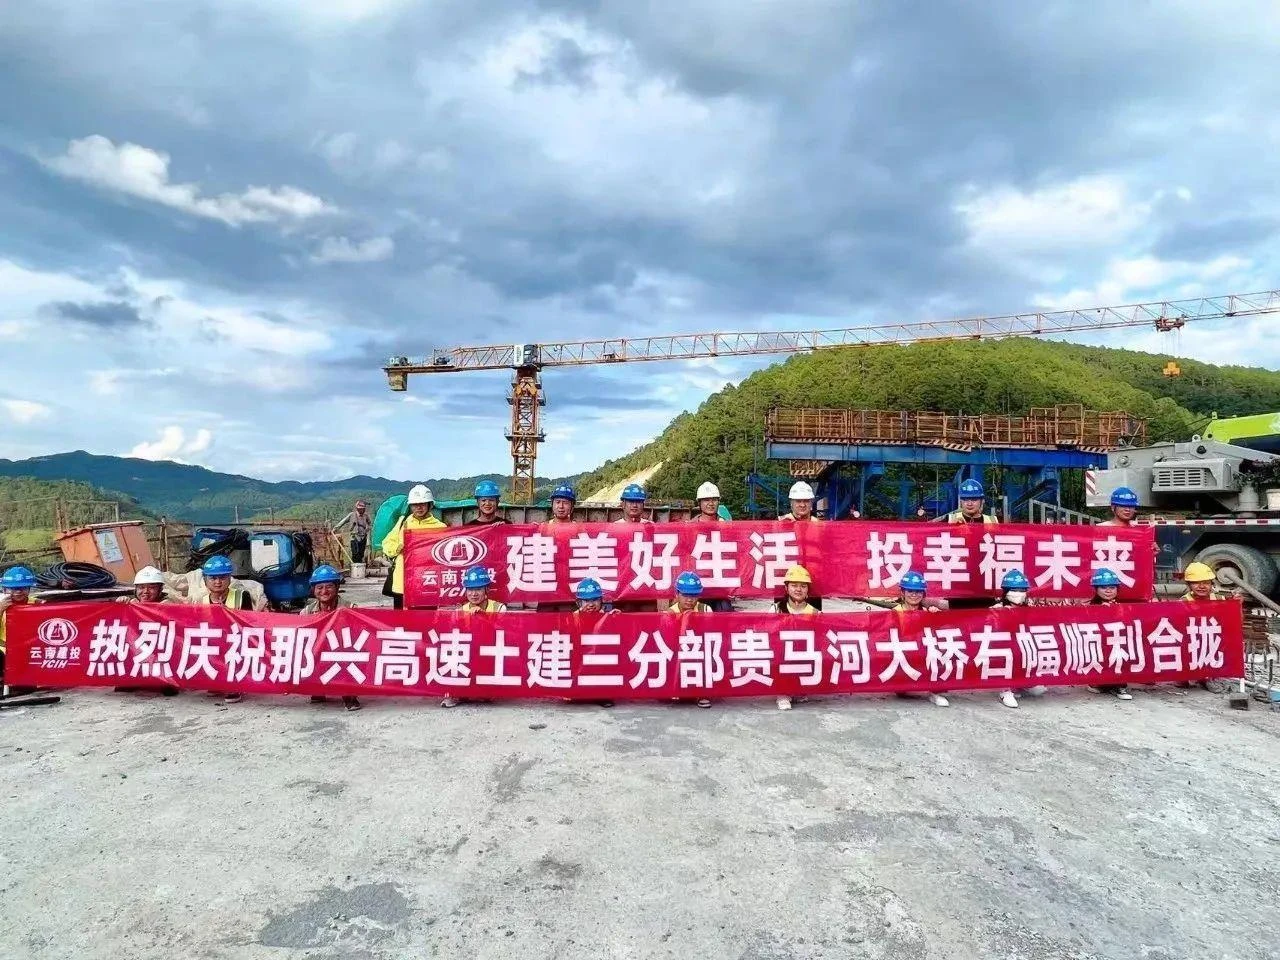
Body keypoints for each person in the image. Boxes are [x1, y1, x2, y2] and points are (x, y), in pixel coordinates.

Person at [443, 566, 507, 708]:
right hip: (468, 652)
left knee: (487, 695)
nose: (473, 594)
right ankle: (456, 692)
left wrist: (484, 618)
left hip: (490, 651)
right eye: (470, 589)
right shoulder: (461, 610)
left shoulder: (499, 608)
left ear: (487, 590)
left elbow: (505, 633)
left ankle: (484, 690)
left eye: (478, 589)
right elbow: (453, 634)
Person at [302, 565, 361, 711]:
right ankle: (317, 687)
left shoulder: (351, 609)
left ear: (337, 587)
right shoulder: (306, 612)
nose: (324, 591)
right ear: (313, 590)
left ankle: (349, 691)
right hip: (318, 652)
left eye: (329, 586)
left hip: (343, 652)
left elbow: (361, 637)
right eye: (319, 587)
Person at [195, 555, 252, 704]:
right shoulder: (201, 600)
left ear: (229, 578)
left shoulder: (242, 596)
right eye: (213, 578)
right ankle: (216, 681)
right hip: (213, 641)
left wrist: (228, 614)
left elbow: (248, 623)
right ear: (205, 580)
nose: (217, 582)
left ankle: (233, 685)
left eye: (222, 577)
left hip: (235, 641)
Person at [116, 566, 179, 696]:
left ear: (160, 589)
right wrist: (120, 605)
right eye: (141, 587)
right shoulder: (132, 603)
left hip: (159, 648)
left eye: (151, 587)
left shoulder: (168, 604)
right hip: (138, 647)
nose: (145, 592)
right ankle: (130, 679)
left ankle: (166, 681)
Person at [382, 484, 446, 610]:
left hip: (427, 581)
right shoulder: (403, 523)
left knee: (426, 618)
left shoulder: (440, 527)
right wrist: (397, 548)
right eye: (415, 504)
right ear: (410, 506)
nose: (419, 507)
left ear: (430, 505)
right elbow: (387, 543)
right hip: (402, 581)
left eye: (422, 504)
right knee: (401, 620)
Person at [891, 571, 949, 708]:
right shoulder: (894, 613)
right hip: (904, 654)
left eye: (918, 591)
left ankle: (935, 691)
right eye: (910, 591)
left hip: (924, 652)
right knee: (902, 691)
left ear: (923, 594)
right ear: (903, 593)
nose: (914, 595)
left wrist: (935, 617)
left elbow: (938, 633)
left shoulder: (927, 611)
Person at [990, 569, 1046, 708]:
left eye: (1022, 590)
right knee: (1009, 654)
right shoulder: (997, 609)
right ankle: (1005, 689)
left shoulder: (1029, 609)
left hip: (1024, 646)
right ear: (1006, 592)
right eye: (1014, 590)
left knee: (1038, 689)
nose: (1019, 594)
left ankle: (1023, 683)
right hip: (1003, 648)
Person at [774, 565, 817, 711]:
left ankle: (799, 688)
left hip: (804, 654)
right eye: (794, 585)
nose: (799, 589)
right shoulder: (776, 609)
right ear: (786, 588)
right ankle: (783, 693)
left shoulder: (815, 613)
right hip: (782, 655)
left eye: (803, 586)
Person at [1086, 568, 1132, 701]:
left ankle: (1119, 686)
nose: (1108, 591)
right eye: (1103, 587)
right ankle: (1101, 683)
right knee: (1101, 663)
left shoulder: (1123, 606)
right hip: (1099, 643)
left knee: (1119, 662)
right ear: (1096, 589)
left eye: (1112, 587)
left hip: (1118, 642)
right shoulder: (1090, 607)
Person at [668, 571, 713, 708]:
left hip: (700, 649)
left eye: (694, 595)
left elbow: (712, 634)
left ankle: (702, 693)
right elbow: (667, 639)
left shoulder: (705, 609)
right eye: (685, 595)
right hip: (679, 650)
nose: (690, 600)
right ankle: (675, 687)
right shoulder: (670, 613)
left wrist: (696, 620)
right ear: (677, 594)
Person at [572, 578, 614, 708]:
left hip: (599, 662)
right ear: (578, 602)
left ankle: (603, 694)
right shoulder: (572, 618)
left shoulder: (608, 617)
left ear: (601, 601)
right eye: (586, 601)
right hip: (580, 660)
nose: (591, 604)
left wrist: (618, 621)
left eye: (595, 600)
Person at [0, 566, 41, 698]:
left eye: (22, 588)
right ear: (4, 589)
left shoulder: (38, 604)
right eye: (13, 588)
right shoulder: (1, 605)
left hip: (32, 650)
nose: (18, 591)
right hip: (5, 650)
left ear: (29, 589)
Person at [349, 500, 371, 564]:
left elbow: (369, 523)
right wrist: (335, 529)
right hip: (354, 537)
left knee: (361, 553)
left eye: (363, 509)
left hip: (363, 537)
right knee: (355, 553)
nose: (362, 510)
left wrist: (368, 528)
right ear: (358, 509)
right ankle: (355, 566)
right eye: (361, 509)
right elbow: (343, 521)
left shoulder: (366, 516)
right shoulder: (352, 515)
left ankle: (360, 566)